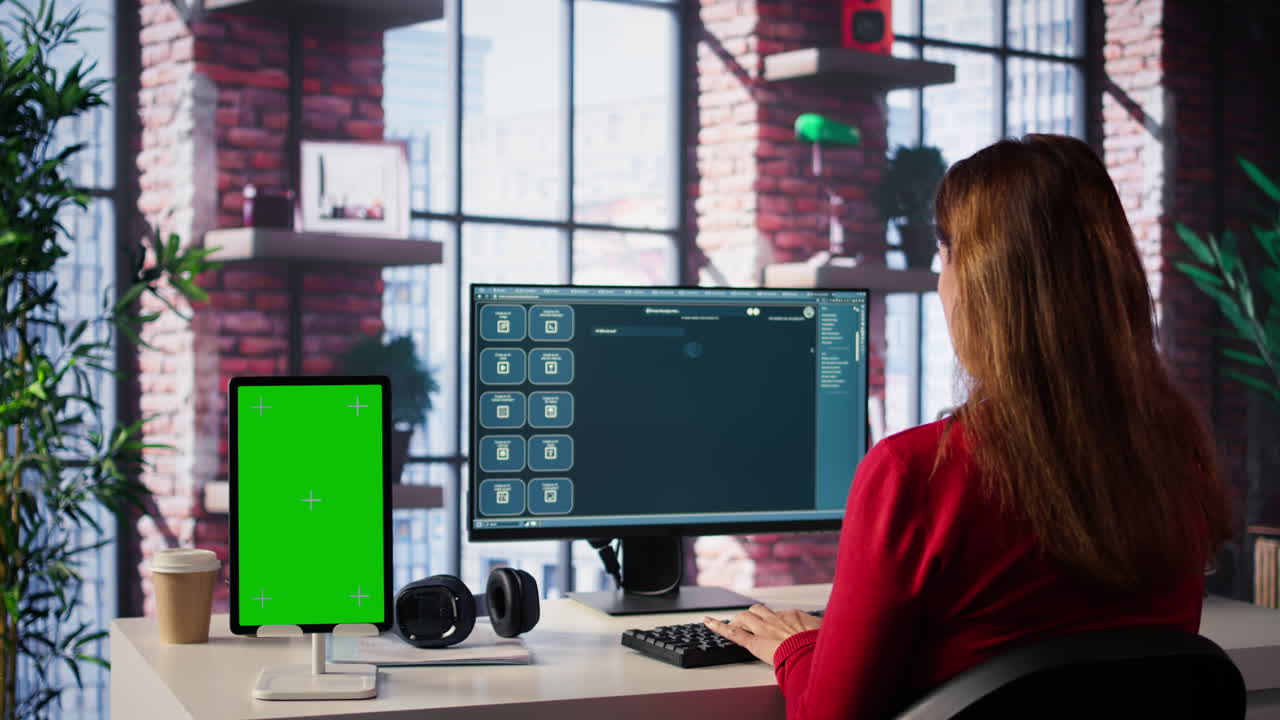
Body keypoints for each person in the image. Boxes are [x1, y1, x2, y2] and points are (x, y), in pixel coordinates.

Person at [704, 134, 1232, 719]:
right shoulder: (1176, 458)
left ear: (983, 287)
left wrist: (798, 647)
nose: (940, 282)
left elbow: (831, 716)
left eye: (945, 256)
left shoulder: (915, 472)